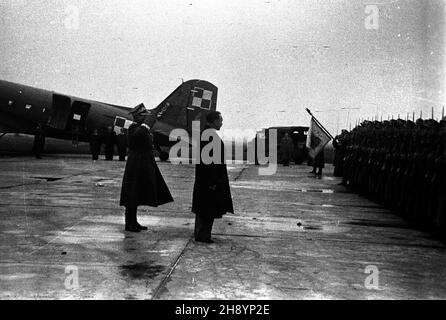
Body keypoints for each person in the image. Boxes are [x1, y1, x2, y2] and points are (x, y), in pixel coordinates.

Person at [119, 103, 174, 232]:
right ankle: (129, 224)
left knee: (136, 194)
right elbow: (138, 135)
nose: (145, 119)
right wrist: (147, 124)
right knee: (132, 195)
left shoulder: (141, 128)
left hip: (142, 164)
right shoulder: (133, 128)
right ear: (137, 116)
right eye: (144, 116)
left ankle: (134, 222)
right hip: (136, 165)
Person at [192, 111, 234, 243]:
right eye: (220, 120)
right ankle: (202, 235)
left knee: (205, 207)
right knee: (207, 208)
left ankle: (202, 234)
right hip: (209, 180)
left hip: (207, 179)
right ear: (214, 121)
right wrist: (212, 181)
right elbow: (208, 161)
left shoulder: (207, 134)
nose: (222, 122)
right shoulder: (209, 136)